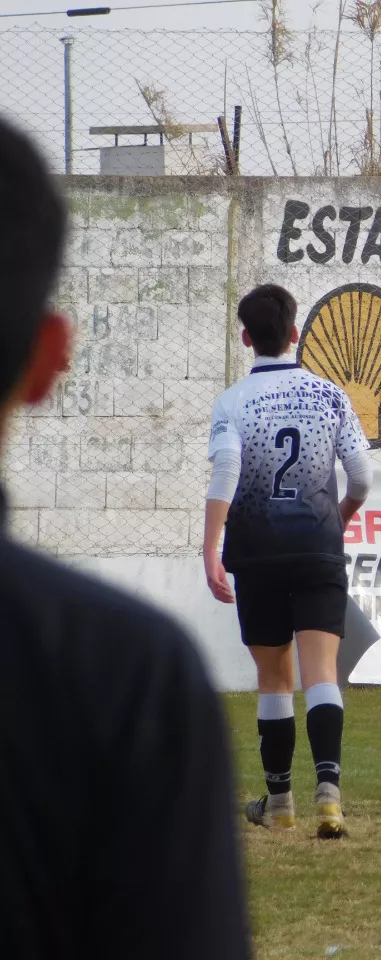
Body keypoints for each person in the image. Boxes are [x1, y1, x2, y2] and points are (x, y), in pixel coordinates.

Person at [0, 118, 251, 956]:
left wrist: (211, 544)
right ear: (49, 361)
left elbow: (225, 465)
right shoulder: (125, 679)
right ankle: (314, 786)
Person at [203, 283, 374, 839]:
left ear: (247, 337)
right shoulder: (330, 395)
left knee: (274, 676)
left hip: (256, 550)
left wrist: (211, 549)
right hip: (318, 545)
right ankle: (329, 793)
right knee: (321, 673)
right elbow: (361, 475)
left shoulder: (232, 402)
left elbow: (226, 470)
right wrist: (339, 516)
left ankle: (279, 802)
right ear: (296, 333)